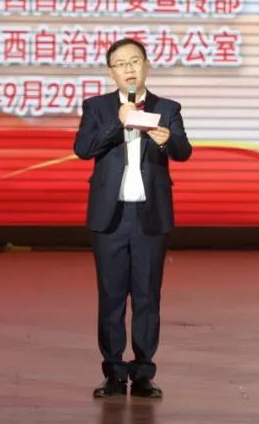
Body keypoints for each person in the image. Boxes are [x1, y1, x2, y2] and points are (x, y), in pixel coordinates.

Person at [74, 37, 192, 399]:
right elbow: (83, 149)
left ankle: (143, 373)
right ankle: (113, 372)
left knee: (147, 296)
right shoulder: (97, 107)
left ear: (146, 65)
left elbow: (183, 151)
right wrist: (118, 122)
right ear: (111, 72)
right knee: (111, 296)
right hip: (110, 217)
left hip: (149, 216)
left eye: (135, 61)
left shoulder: (167, 107)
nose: (129, 69)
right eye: (121, 63)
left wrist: (166, 139)